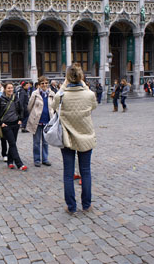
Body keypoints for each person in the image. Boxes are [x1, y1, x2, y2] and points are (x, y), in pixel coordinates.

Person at [53, 64, 96, 214]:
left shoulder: (61, 96)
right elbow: (93, 107)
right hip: (86, 136)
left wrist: (64, 85)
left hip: (67, 137)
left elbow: (53, 106)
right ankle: (86, 205)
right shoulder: (89, 94)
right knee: (86, 171)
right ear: (81, 77)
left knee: (68, 173)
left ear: (66, 78)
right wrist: (83, 84)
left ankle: (71, 207)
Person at [0, 83, 27, 171]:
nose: (10, 90)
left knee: (12, 143)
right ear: (5, 89)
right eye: (8, 88)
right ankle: (19, 163)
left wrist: (20, 119)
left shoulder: (16, 98)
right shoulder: (0, 100)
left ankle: (10, 162)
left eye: (11, 88)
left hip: (15, 124)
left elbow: (21, 109)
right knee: (12, 143)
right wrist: (0, 123)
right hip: (6, 125)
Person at [26, 76, 55, 167]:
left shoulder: (52, 93)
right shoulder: (35, 93)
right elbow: (29, 106)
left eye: (46, 83)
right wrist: (34, 115)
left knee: (46, 142)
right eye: (42, 83)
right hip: (37, 121)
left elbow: (54, 106)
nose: (44, 85)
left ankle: (45, 159)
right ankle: (37, 159)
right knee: (36, 142)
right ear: (39, 85)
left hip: (48, 121)